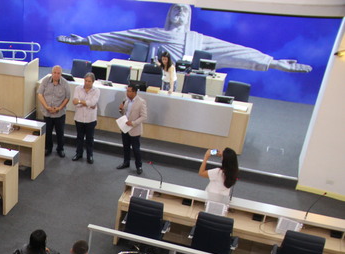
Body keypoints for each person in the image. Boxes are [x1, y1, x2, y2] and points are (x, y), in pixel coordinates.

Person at [57, 3, 312, 73]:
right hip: (155, 77)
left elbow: (235, 52)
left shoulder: (197, 39)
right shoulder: (155, 34)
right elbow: (121, 38)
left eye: (184, 10)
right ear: (170, 14)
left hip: (183, 78)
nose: (179, 13)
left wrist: (272, 62)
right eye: (175, 9)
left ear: (189, 16)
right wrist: (86, 40)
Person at [37, 65, 70, 157]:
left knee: (60, 132)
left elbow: (67, 98)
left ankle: (60, 149)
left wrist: (59, 108)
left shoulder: (65, 83)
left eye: (58, 73)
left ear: (61, 74)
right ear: (52, 73)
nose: (56, 75)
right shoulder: (45, 81)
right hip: (47, 112)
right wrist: (47, 106)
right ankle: (48, 148)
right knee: (47, 132)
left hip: (59, 113)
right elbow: (40, 94)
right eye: (54, 73)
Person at [117, 84, 148, 175]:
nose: (127, 93)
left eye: (129, 91)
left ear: (134, 92)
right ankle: (126, 162)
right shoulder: (126, 100)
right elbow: (125, 113)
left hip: (134, 129)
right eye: (127, 91)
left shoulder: (141, 102)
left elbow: (144, 117)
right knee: (125, 146)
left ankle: (139, 166)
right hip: (125, 128)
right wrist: (120, 110)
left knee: (136, 149)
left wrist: (133, 123)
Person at [71, 72, 100, 164]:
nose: (87, 83)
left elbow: (93, 103)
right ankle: (78, 153)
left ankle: (89, 155)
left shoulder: (97, 91)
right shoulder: (77, 89)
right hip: (79, 118)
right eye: (86, 81)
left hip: (90, 119)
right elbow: (75, 102)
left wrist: (81, 102)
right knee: (79, 137)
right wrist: (86, 103)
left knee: (89, 138)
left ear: (93, 82)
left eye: (89, 81)